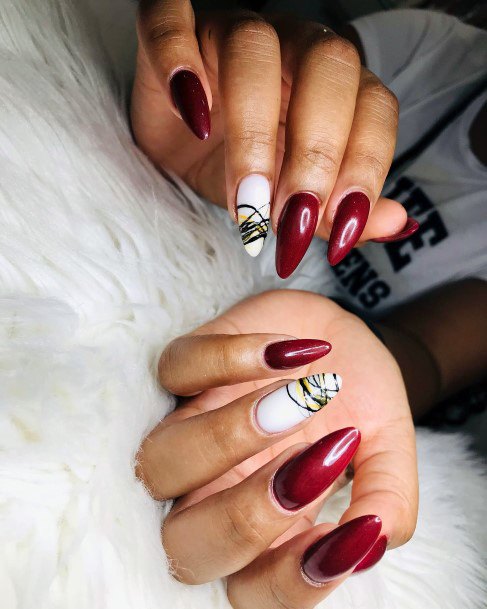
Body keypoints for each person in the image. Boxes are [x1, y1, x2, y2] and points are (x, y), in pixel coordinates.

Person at [130, 2, 487, 607]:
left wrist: (347, 358)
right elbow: (299, 72)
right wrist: (238, 93)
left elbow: (425, 354)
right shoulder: (434, 50)